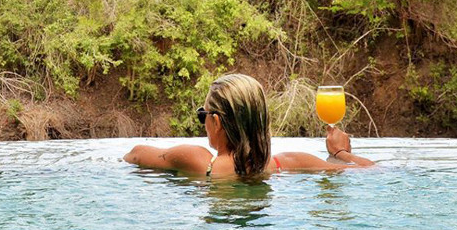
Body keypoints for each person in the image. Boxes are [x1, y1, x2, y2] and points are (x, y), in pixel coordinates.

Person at [123, 74, 374, 177]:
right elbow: (368, 171)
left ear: (217, 122)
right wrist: (341, 153)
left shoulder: (199, 162)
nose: (204, 122)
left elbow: (135, 154)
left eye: (204, 115)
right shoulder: (284, 163)